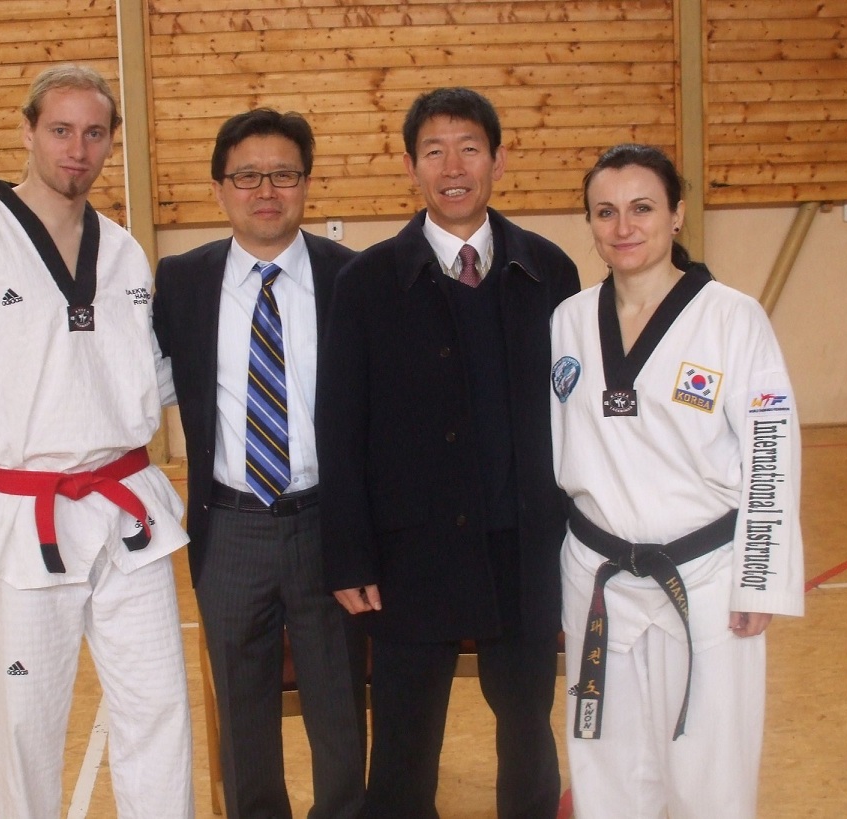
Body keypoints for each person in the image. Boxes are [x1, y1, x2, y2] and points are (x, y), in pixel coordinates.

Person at [0, 64, 193, 818]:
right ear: (27, 130)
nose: (77, 150)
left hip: (130, 513)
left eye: (94, 134)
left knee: (158, 708)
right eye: (60, 130)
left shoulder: (122, 249)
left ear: (111, 142)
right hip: (25, 516)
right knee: (27, 725)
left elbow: (143, 374)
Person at [317, 87, 581, 818]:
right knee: (403, 744)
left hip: (522, 545)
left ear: (498, 159)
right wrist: (349, 555)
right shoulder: (366, 283)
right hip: (411, 552)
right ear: (410, 167)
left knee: (527, 728)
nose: (453, 167)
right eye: (434, 151)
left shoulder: (550, 271)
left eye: (469, 148)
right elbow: (339, 427)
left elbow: (577, 413)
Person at [550, 143, 805, 819]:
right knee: (605, 767)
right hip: (597, 578)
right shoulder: (569, 321)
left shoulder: (731, 317)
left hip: (706, 577)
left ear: (676, 214)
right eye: (604, 212)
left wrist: (760, 578)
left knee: (707, 768)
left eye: (641, 208)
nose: (623, 226)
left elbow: (771, 450)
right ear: (589, 222)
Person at [152, 108, 366, 819]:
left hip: (328, 524)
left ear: (306, 184)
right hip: (230, 527)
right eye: (246, 176)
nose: (265, 190)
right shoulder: (182, 281)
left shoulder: (351, 277)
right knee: (241, 720)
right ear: (219, 189)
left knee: (339, 708)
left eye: (283, 174)